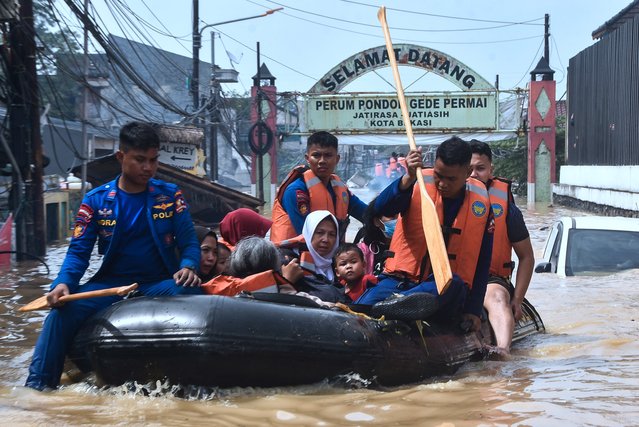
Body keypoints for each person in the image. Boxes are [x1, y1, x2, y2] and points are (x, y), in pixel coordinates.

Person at [25, 121, 202, 391]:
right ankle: (38, 388)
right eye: (140, 160)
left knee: (192, 293)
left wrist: (189, 266)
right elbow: (77, 253)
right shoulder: (95, 201)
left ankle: (195, 380)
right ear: (121, 157)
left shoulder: (170, 195)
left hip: (158, 283)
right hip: (111, 285)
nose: (148, 168)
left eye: (153, 160)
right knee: (62, 314)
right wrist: (62, 284)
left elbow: (189, 242)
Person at [356, 136, 494, 330]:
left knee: (452, 282)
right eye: (439, 175)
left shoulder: (481, 206)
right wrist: (407, 178)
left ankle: (400, 305)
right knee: (358, 309)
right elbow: (380, 208)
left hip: (440, 290)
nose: (443, 184)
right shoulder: (416, 182)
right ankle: (397, 304)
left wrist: (473, 309)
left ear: (468, 172)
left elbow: (482, 261)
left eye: (451, 179)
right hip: (399, 283)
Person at [469, 140, 534, 355]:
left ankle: (503, 351)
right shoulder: (443, 200)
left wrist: (517, 300)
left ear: (490, 170)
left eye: (480, 168)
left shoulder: (507, 209)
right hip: (450, 276)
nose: (474, 174)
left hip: (491, 279)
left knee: (496, 297)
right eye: (468, 169)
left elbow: (526, 257)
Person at [270, 131, 367, 243]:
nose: (322, 161)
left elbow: (367, 213)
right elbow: (306, 236)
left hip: (329, 253)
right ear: (307, 158)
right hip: (294, 255)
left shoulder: (340, 189)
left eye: (328, 156)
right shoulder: (296, 191)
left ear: (337, 159)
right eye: (316, 155)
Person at [201, 237, 303, 296]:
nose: (211, 258)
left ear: (235, 266)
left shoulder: (213, 297)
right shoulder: (304, 300)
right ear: (276, 265)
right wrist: (285, 282)